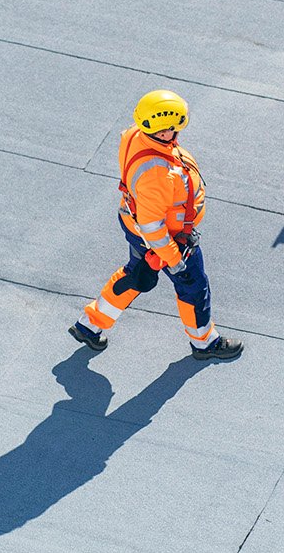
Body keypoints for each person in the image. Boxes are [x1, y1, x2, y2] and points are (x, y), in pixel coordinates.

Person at [70, 90, 243, 361]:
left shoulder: (135, 135)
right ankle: (204, 342)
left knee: (137, 276)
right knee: (193, 286)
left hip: (133, 222)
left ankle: (90, 325)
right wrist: (175, 259)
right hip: (168, 239)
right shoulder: (157, 174)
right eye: (171, 129)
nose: (174, 133)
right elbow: (152, 226)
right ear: (161, 130)